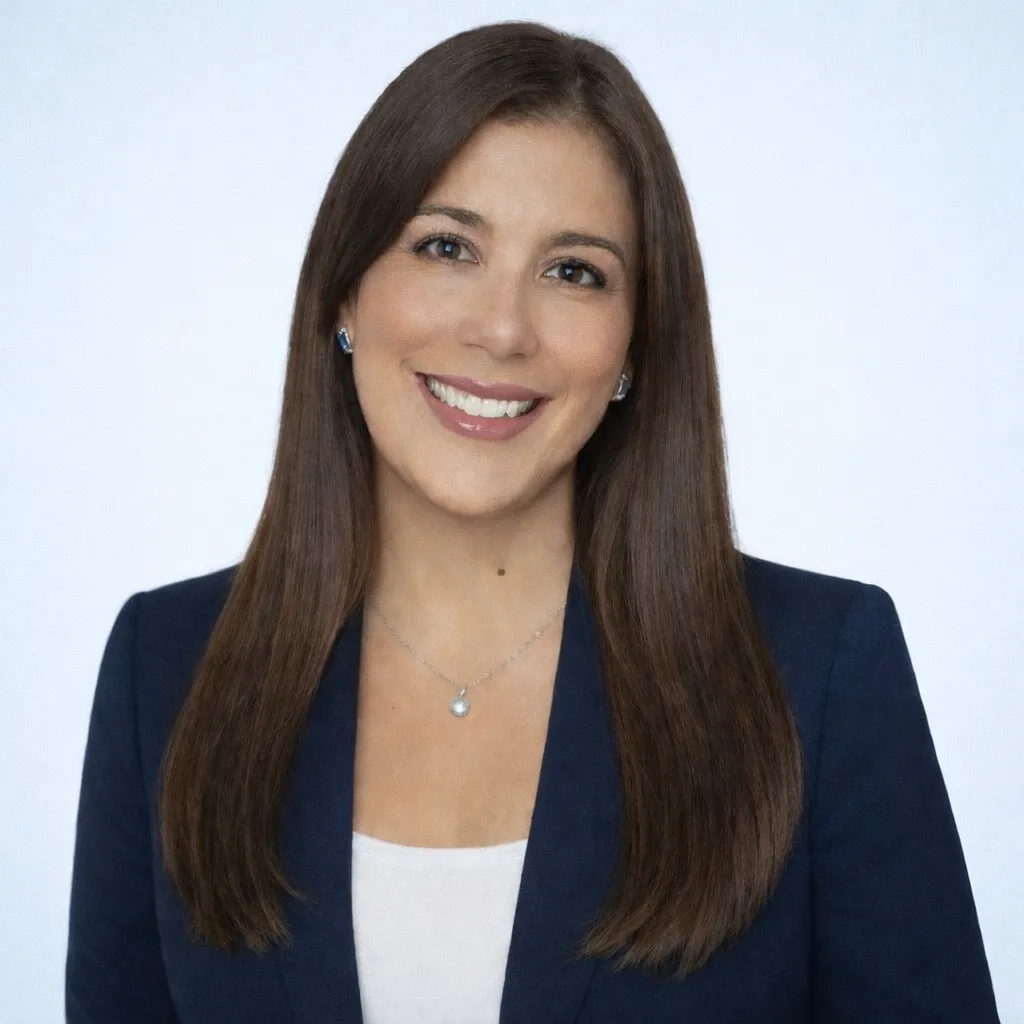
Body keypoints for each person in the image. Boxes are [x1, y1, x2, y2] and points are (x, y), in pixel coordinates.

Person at [65, 19, 1000, 1024]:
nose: (503, 329)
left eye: (573, 271)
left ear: (635, 343)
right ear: (344, 294)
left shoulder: (817, 673)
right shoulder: (166, 672)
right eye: (446, 247)